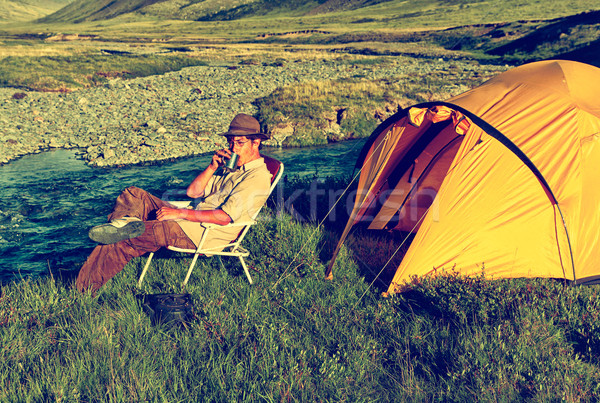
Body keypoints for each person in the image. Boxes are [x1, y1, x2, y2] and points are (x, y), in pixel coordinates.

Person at [76, 113, 273, 294]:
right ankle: (125, 223)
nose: (233, 149)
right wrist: (212, 166)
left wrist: (179, 214)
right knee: (134, 194)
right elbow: (193, 192)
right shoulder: (232, 168)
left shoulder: (256, 177)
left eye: (239, 143)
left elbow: (224, 217)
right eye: (231, 143)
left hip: (202, 233)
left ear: (256, 143)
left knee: (124, 237)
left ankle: (82, 292)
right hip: (189, 218)